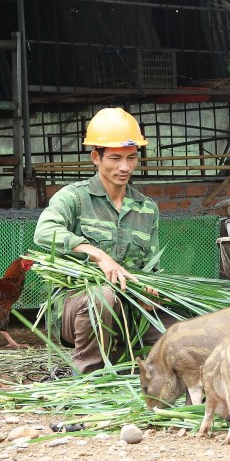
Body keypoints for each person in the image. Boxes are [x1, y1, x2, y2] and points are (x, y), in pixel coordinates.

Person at [34, 107, 172, 374]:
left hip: (130, 306)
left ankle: (130, 362)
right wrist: (96, 253)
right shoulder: (74, 198)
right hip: (75, 307)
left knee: (184, 324)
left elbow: (151, 267)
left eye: (132, 158)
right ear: (96, 157)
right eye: (115, 158)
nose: (125, 167)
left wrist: (150, 290)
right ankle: (89, 375)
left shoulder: (147, 208)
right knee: (103, 296)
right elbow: (44, 231)